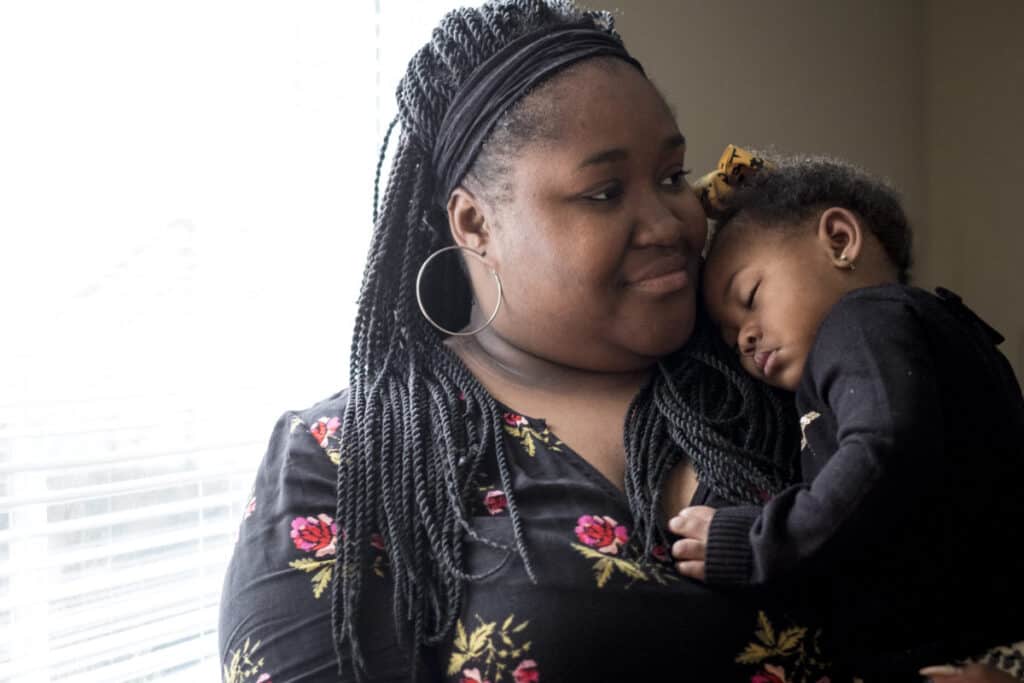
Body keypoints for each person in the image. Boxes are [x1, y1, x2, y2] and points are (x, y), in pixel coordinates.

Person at [216, 2, 855, 681]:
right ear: (475, 222)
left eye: (672, 177)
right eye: (605, 192)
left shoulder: (771, 366)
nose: (669, 221)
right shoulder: (347, 460)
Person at [669, 148, 1024, 680]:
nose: (743, 337)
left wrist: (758, 543)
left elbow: (885, 452)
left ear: (839, 240)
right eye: (726, 334)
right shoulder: (927, 334)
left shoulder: (862, 320)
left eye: (750, 295)